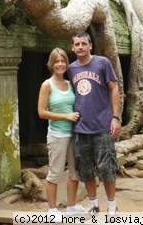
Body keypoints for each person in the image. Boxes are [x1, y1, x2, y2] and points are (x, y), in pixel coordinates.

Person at [67, 31, 121, 216]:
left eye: (84, 43)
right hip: (81, 127)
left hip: (102, 125)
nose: (80, 47)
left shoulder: (102, 63)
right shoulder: (71, 68)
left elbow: (114, 89)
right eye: (77, 44)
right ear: (72, 48)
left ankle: (112, 204)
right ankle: (93, 204)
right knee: (85, 167)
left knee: (107, 166)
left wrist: (116, 117)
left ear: (90, 46)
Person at [38, 48, 86, 220]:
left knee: (75, 172)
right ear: (51, 64)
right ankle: (52, 210)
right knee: (55, 172)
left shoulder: (70, 83)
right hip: (57, 135)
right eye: (56, 61)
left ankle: (72, 206)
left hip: (74, 134)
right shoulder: (47, 85)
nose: (60, 64)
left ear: (67, 63)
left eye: (63, 61)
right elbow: (42, 112)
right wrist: (64, 116)